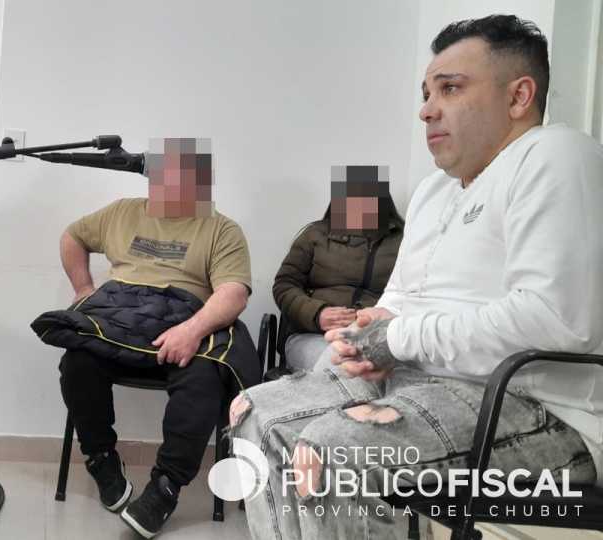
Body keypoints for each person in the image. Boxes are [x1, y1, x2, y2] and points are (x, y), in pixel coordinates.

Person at [234, 15, 603, 540]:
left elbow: (557, 320)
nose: (426, 109)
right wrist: (364, 335)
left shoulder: (555, 155)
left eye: (450, 88)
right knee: (254, 411)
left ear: (519, 96)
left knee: (333, 451)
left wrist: (398, 337)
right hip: (417, 383)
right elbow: (399, 301)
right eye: (426, 93)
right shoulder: (434, 191)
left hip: (534, 407)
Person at [46, 137, 257, 538]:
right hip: (121, 312)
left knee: (204, 376)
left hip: (183, 317)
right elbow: (73, 235)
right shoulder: (122, 212)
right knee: (78, 360)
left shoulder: (222, 229)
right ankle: (101, 459)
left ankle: (166, 485)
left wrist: (191, 330)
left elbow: (233, 292)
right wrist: (83, 288)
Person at [272, 169, 403, 372]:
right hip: (311, 335)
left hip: (373, 335)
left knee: (381, 366)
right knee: (341, 362)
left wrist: (364, 320)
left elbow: (411, 294)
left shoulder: (403, 240)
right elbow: (284, 286)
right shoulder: (315, 235)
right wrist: (317, 314)